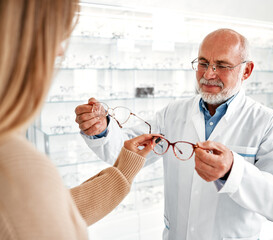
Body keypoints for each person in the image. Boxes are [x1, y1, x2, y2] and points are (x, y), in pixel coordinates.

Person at [75, 28, 273, 240]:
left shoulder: (266, 123)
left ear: (246, 70)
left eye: (222, 65)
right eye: (203, 63)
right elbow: (127, 151)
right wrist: (101, 130)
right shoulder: (173, 113)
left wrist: (234, 171)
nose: (209, 74)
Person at [0, 1, 160, 239]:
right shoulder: (17, 164)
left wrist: (126, 165)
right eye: (54, 35)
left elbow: (57, 212)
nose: (60, 51)